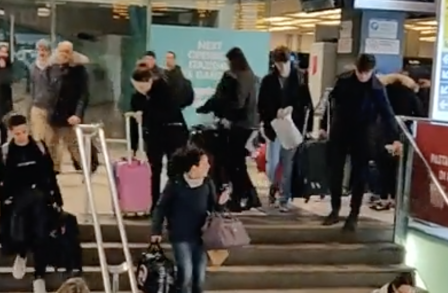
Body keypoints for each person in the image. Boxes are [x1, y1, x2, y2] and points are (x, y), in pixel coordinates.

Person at [320, 54, 403, 231]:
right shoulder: (343, 81)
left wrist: (396, 137)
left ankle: (353, 214)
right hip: (340, 131)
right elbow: (331, 104)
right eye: (360, 72)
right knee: (335, 171)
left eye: (366, 73)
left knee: (360, 174)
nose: (363, 76)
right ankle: (334, 209)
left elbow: (387, 112)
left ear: (372, 71)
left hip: (363, 135)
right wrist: (322, 126)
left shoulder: (377, 88)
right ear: (356, 69)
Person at [150, 145, 228, 293]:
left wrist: (222, 204)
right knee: (185, 272)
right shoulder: (175, 184)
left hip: (201, 236)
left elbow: (214, 208)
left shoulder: (207, 183)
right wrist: (156, 230)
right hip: (180, 235)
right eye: (204, 163)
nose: (208, 166)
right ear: (193, 167)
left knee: (199, 275)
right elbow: (161, 208)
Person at [0, 114, 63, 293]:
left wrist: (57, 198)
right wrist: (3, 197)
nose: (22, 136)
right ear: (11, 133)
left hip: (40, 199)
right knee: (22, 229)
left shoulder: (38, 147)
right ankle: (22, 254)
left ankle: (39, 275)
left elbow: (49, 174)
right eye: (18, 133)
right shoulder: (6, 151)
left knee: (41, 235)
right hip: (17, 200)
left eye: (24, 132)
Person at [198, 47, 260, 211]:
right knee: (238, 163)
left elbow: (237, 103)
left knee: (233, 163)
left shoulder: (235, 77)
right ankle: (250, 196)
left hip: (238, 125)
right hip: (250, 124)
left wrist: (225, 116)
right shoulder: (252, 77)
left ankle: (241, 196)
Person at [257, 46, 313, 212]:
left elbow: (306, 103)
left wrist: (295, 114)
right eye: (278, 64)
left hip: (292, 127)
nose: (282, 68)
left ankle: (284, 197)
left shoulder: (300, 78)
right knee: (273, 163)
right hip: (274, 126)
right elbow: (262, 104)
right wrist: (275, 111)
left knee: (287, 163)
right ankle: (274, 189)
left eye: (284, 64)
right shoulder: (268, 80)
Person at [130, 64, 189, 208]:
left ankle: (175, 202)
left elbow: (167, 113)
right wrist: (133, 146)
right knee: (154, 169)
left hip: (173, 133)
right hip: (154, 136)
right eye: (138, 87)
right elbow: (134, 122)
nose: (141, 90)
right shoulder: (137, 97)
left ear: (150, 81)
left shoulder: (164, 90)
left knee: (174, 169)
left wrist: (145, 117)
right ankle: (155, 203)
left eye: (143, 86)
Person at [370, 72, 424, 211]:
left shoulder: (382, 92)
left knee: (382, 166)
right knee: (399, 167)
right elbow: (420, 114)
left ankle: (383, 197)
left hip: (382, 132)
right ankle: (396, 198)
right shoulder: (410, 94)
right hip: (402, 132)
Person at [47, 41, 89, 175]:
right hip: (53, 113)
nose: (64, 54)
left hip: (70, 114)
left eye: (67, 51)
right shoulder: (52, 68)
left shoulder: (79, 70)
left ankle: (85, 167)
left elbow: (84, 94)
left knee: (73, 144)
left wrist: (77, 114)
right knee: (52, 143)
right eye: (62, 51)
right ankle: (54, 169)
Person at [29, 40, 55, 149]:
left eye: (44, 50)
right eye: (39, 50)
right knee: (37, 137)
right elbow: (31, 86)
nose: (41, 53)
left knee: (51, 139)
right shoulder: (33, 67)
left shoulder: (54, 67)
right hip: (37, 105)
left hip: (52, 107)